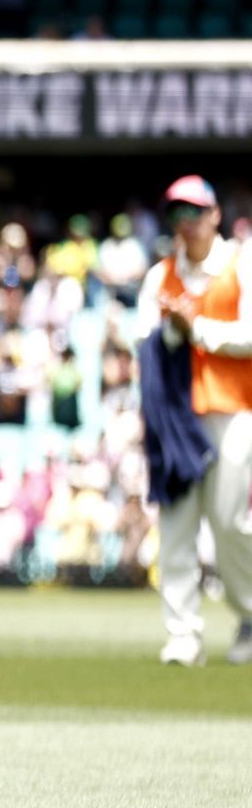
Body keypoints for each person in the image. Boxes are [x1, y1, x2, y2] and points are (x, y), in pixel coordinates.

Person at [134, 176, 252, 667]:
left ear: (215, 216)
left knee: (230, 524)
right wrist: (173, 333)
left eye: (194, 213)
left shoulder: (242, 263)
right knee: (178, 527)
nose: (186, 224)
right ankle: (183, 634)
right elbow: (143, 341)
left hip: (234, 410)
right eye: (178, 215)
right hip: (177, 421)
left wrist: (195, 328)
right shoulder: (160, 275)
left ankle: (249, 614)